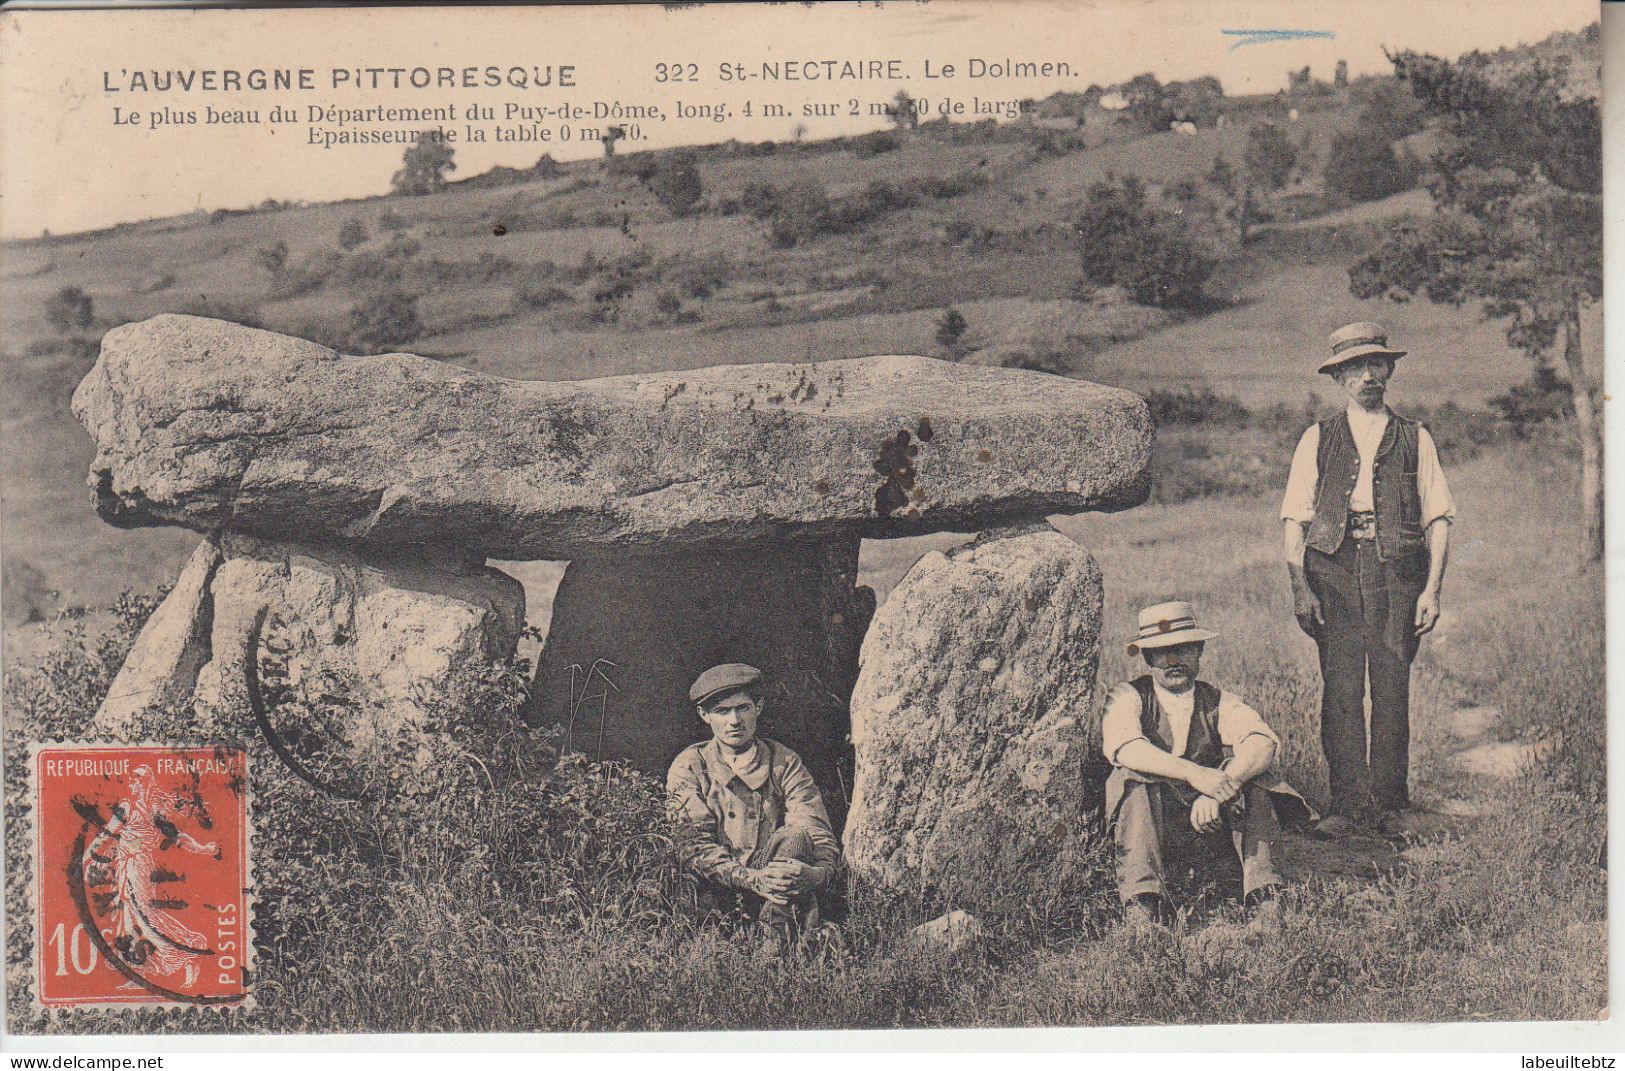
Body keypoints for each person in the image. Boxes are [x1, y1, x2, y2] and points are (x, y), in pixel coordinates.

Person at [1281, 322, 1455, 838]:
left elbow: (1438, 518)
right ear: (1339, 378)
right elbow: (1296, 517)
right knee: (1340, 685)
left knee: (1391, 681)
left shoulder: (1414, 437)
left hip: (1397, 571)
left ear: (1390, 370)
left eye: (1376, 365)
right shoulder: (1318, 437)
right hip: (1332, 570)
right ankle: (1347, 804)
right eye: (1355, 368)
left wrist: (1433, 589)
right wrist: (1300, 586)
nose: (1368, 376)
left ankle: (1390, 801)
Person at [1102, 601, 1312, 929]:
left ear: (1199, 651)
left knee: (1256, 776)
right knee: (1131, 777)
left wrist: (1218, 790)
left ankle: (1264, 895)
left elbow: (1262, 742)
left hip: (1209, 825)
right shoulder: (1128, 696)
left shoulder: (1219, 700)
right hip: (1153, 824)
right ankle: (1142, 904)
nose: (1173, 661)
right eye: (1161, 652)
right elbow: (1125, 747)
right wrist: (1196, 774)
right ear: (1147, 658)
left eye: (1183, 649)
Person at [665, 663, 841, 937]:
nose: (734, 721)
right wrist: (751, 880)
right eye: (722, 711)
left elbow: (816, 832)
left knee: (795, 837)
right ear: (704, 715)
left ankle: (775, 947)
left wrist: (815, 874)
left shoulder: (783, 761)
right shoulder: (690, 765)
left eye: (743, 708)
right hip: (716, 891)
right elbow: (693, 847)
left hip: (774, 889)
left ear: (758, 707)